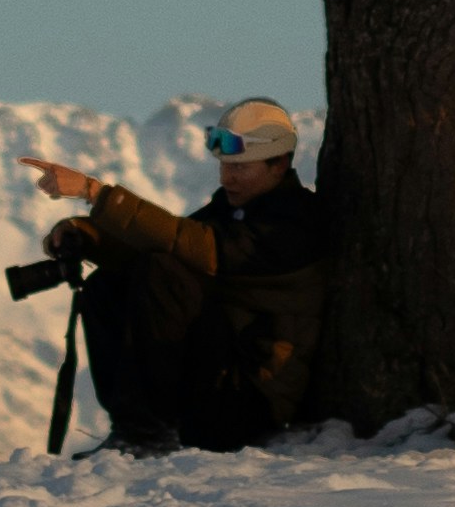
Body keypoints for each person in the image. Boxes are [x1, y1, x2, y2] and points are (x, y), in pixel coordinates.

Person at [18, 97, 331, 453]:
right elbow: (162, 245)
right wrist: (87, 236)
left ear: (279, 165)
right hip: (209, 390)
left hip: (248, 399)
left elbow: (195, 247)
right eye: (225, 165)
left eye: (241, 168)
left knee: (162, 273)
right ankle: (133, 427)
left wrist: (96, 194)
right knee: (107, 285)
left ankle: (147, 432)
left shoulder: (294, 224)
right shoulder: (230, 210)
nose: (228, 177)